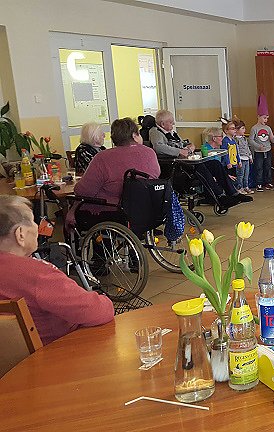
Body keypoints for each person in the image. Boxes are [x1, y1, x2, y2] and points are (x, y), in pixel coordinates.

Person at [0, 195, 114, 345]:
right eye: (33, 221)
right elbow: (96, 311)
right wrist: (105, 301)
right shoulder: (38, 275)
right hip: (56, 350)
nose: (37, 227)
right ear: (20, 234)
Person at [70, 117, 161, 229]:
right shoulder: (150, 153)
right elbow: (156, 175)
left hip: (113, 211)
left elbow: (84, 191)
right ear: (134, 135)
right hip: (146, 208)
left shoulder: (103, 157)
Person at [149, 110, 247, 205]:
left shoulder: (172, 133)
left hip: (186, 162)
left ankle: (233, 193)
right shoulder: (155, 132)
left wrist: (190, 145)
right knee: (200, 167)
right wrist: (179, 151)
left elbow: (182, 143)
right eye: (171, 122)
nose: (173, 124)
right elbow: (159, 147)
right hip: (176, 166)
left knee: (215, 164)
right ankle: (220, 196)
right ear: (162, 124)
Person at [249, 94, 274, 191]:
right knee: (259, 167)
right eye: (264, 118)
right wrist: (258, 146)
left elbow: (273, 140)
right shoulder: (254, 128)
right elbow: (251, 140)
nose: (266, 120)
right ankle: (259, 183)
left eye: (267, 118)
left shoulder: (268, 128)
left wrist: (272, 137)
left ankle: (268, 182)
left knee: (268, 166)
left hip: (267, 150)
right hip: (258, 152)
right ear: (259, 117)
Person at [233, 117, 253, 194]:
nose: (244, 130)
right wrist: (238, 160)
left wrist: (250, 156)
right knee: (240, 174)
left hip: (246, 158)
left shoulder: (244, 138)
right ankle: (239, 187)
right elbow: (236, 150)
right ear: (237, 130)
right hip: (240, 159)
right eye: (242, 128)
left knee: (246, 174)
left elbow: (247, 148)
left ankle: (246, 186)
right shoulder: (235, 140)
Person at [221, 119, 242, 188]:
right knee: (229, 179)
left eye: (235, 128)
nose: (235, 130)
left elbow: (236, 152)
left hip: (234, 163)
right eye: (232, 129)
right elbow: (225, 153)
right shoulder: (225, 141)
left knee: (235, 177)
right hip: (228, 164)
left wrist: (239, 160)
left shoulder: (233, 141)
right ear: (226, 131)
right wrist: (228, 163)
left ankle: (235, 189)